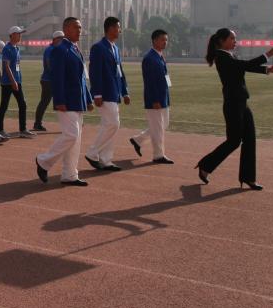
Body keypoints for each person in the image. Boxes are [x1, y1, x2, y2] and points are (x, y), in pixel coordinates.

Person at [196, 29, 273, 190]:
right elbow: (244, 65)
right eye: (232, 38)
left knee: (250, 138)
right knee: (234, 141)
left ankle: (248, 177)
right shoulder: (222, 57)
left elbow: (243, 67)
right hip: (233, 105)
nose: (235, 41)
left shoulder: (229, 55)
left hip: (242, 103)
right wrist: (268, 54)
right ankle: (205, 165)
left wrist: (267, 69)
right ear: (221, 41)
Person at [35, 17, 92, 186]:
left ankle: (70, 175)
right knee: (71, 135)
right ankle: (43, 161)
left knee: (76, 139)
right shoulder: (60, 50)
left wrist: (88, 98)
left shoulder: (75, 49)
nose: (79, 30)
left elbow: (82, 78)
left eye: (80, 27)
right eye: (76, 27)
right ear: (66, 29)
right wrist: (59, 100)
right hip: (66, 101)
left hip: (78, 100)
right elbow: (57, 77)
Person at [85, 17, 131, 172]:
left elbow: (120, 72)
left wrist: (125, 91)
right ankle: (92, 153)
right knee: (113, 124)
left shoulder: (115, 48)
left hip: (115, 92)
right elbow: (94, 71)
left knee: (109, 125)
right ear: (110, 28)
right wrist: (97, 94)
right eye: (118, 27)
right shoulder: (98, 47)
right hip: (104, 93)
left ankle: (106, 160)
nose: (120, 30)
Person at [130, 29, 175, 164]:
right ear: (154, 41)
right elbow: (149, 81)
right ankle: (158, 155)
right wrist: (155, 99)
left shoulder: (159, 56)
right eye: (162, 40)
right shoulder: (149, 58)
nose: (165, 42)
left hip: (163, 96)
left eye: (166, 40)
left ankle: (138, 140)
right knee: (158, 128)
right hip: (155, 99)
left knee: (163, 124)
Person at [0, 26, 35, 139]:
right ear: (12, 35)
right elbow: (6, 66)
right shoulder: (7, 49)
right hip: (8, 82)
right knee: (4, 105)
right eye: (18, 34)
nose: (20, 36)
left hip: (17, 81)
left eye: (20, 34)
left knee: (22, 104)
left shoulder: (17, 48)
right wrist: (13, 81)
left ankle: (23, 129)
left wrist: (17, 80)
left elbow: (16, 66)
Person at [33, 31, 64, 132]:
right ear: (55, 39)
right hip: (48, 81)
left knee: (59, 102)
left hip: (52, 80)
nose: (62, 40)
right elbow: (49, 65)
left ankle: (66, 124)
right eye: (60, 38)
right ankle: (37, 124)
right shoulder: (50, 50)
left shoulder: (57, 49)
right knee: (45, 102)